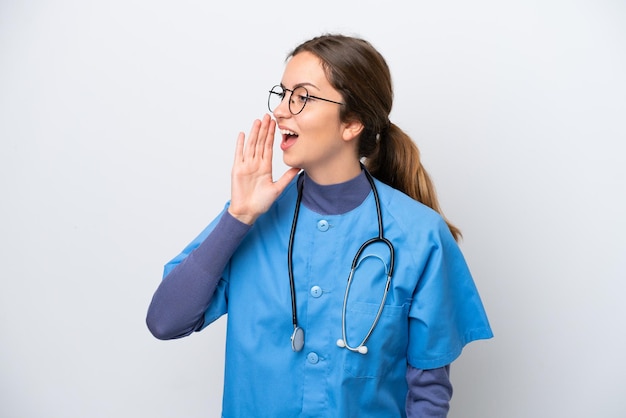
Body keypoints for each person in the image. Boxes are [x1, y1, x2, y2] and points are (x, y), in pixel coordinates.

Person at [146, 33, 493, 417]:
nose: (280, 111)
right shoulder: (249, 218)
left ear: (353, 123)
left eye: (303, 97)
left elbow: (427, 393)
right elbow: (165, 322)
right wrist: (238, 218)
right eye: (283, 93)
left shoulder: (420, 236)